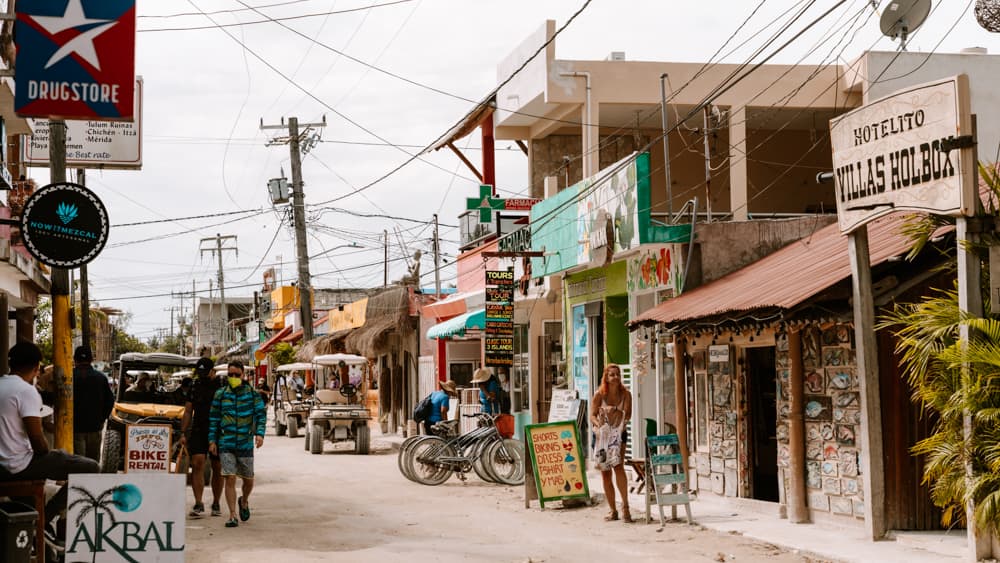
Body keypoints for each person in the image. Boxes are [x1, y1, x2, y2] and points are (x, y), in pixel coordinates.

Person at [0, 341, 100, 548]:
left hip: (2, 468)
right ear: (37, 367)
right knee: (90, 467)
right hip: (18, 465)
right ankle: (46, 517)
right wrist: (50, 453)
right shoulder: (26, 391)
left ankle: (37, 529)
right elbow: (38, 441)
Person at [208, 360, 266, 528]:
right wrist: (212, 440)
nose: (233, 377)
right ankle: (232, 515)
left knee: (248, 480)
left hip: (245, 443)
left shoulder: (252, 394)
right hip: (225, 442)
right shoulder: (220, 394)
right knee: (230, 477)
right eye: (230, 374)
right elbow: (214, 418)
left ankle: (244, 500)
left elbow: (260, 415)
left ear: (243, 375)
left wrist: (260, 434)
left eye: (237, 374)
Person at [179, 357, 223, 519]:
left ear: (213, 371)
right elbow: (188, 411)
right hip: (199, 429)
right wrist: (183, 432)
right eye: (200, 372)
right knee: (197, 463)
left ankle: (216, 502)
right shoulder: (194, 386)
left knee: (217, 467)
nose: (202, 375)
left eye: (205, 372)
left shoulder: (222, 385)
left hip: (218, 430)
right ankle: (198, 503)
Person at [590, 364, 633, 523]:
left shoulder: (626, 394)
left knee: (618, 466)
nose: (615, 377)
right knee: (605, 472)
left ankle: (626, 507)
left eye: (617, 374)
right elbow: (592, 415)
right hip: (602, 437)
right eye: (612, 375)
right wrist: (600, 426)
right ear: (606, 378)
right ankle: (613, 510)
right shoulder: (599, 395)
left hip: (619, 435)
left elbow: (628, 415)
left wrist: (618, 419)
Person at [72, 345, 114, 462]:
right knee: (93, 462)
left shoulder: (69, 377)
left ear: (75, 360)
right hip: (95, 426)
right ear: (91, 359)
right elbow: (110, 401)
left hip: (75, 428)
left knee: (78, 462)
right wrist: (102, 419)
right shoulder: (101, 378)